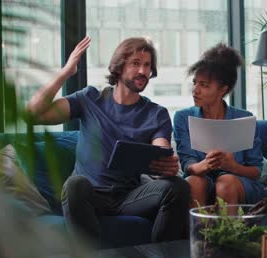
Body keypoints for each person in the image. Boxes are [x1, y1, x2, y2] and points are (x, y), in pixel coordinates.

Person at [26, 36, 190, 245]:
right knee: (74, 184)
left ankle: (160, 256)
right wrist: (66, 72)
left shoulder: (155, 114)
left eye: (147, 65)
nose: (143, 71)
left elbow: (161, 148)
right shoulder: (90, 99)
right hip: (90, 195)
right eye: (135, 63)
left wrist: (166, 163)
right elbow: (33, 114)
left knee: (178, 187)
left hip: (129, 197)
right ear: (119, 67)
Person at [173, 43, 266, 207]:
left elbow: (256, 171)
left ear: (223, 89)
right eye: (195, 83)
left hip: (237, 183)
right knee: (194, 182)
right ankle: (200, 233)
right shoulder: (183, 117)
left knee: (226, 182)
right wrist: (205, 165)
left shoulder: (243, 119)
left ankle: (227, 233)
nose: (195, 90)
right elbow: (188, 165)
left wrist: (232, 166)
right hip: (201, 179)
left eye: (204, 85)